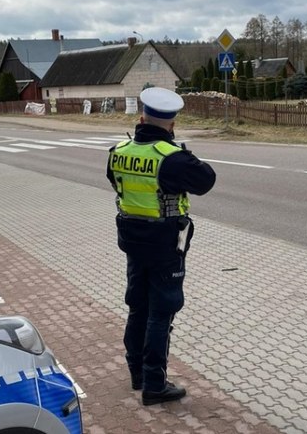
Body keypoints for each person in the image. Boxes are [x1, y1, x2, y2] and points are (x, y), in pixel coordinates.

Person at [106, 87, 216, 406]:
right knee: (161, 311)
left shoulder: (119, 150)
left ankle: (137, 374)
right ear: (171, 123)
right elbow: (206, 181)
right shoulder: (172, 158)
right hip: (164, 244)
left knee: (137, 306)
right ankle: (155, 384)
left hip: (131, 240)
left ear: (141, 117)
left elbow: (117, 183)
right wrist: (179, 150)